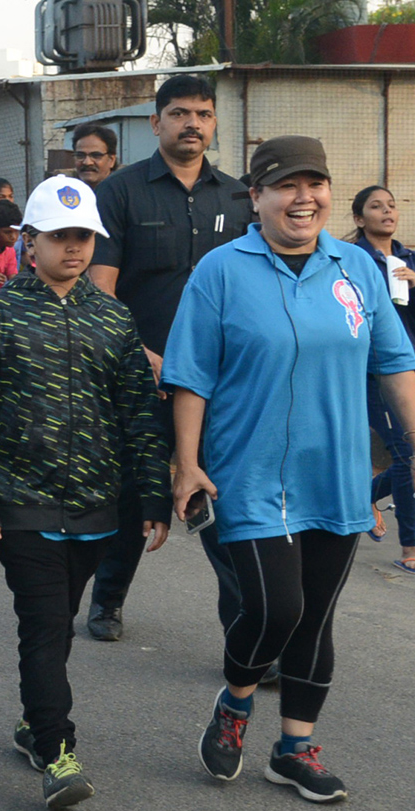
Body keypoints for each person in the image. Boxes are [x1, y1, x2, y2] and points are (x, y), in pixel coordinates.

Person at [164, 135, 415, 804]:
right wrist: (187, 464)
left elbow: (393, 364)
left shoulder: (357, 268)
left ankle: (294, 749)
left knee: (316, 617)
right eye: (286, 185)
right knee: (274, 606)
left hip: (335, 475)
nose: (303, 197)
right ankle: (235, 701)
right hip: (247, 474)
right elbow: (190, 376)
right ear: (256, 197)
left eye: (314, 183)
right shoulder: (221, 271)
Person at [0, 175, 170, 811]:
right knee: (45, 625)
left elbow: (138, 413)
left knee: (59, 626)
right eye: (60, 237)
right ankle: (57, 749)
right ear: (29, 241)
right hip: (22, 504)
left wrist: (154, 498)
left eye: (83, 237)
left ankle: (32, 722)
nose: (74, 248)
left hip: (98, 508)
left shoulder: (113, 316)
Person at [85, 74, 253, 642]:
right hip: (140, 377)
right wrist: (145, 356)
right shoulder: (122, 192)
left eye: (203, 114)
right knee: (134, 495)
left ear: (213, 123)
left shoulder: (237, 197)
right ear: (156, 123)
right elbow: (100, 288)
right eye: (180, 113)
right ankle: (107, 600)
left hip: (219, 384)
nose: (193, 124)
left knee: (216, 498)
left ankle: (244, 627)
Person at [350, 185, 415, 573]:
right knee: (406, 455)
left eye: (391, 206)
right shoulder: (351, 260)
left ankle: (363, 497)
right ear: (360, 219)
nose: (387, 212)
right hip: (376, 374)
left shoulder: (412, 260)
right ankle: (411, 544)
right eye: (376, 207)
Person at [71, 123, 119, 188]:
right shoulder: (65, 193)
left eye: (96, 155)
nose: (87, 162)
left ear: (111, 160)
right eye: (80, 155)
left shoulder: (123, 193)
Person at [0, 199, 21, 289]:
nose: (14, 237)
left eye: (16, 232)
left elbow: (13, 278)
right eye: (7, 232)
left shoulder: (10, 251)